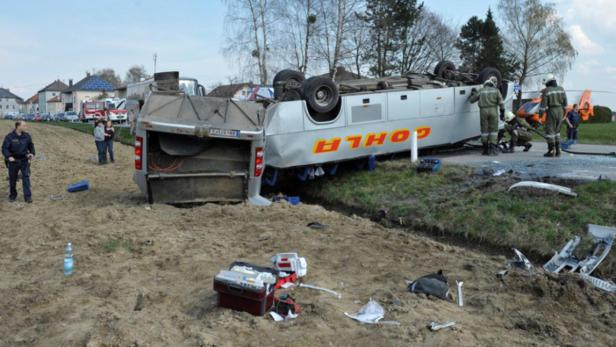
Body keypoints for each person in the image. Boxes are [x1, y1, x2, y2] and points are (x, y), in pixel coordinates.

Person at [468, 76, 505, 156]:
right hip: (493, 110)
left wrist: (473, 94)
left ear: (485, 84)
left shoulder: (481, 90)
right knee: (493, 130)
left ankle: (485, 150)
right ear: (492, 84)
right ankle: (493, 150)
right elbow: (501, 102)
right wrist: (502, 112)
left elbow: (471, 100)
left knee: (484, 130)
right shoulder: (496, 90)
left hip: (483, 111)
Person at [2, 121, 35, 203]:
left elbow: (31, 145)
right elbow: (4, 148)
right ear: (18, 126)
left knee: (26, 178)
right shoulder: (10, 137)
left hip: (24, 160)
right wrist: (9, 156)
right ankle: (13, 195)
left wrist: (31, 153)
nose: (26, 127)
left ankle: (27, 197)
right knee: (12, 179)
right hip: (13, 161)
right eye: (24, 125)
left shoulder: (27, 136)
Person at [538, 74, 568, 157]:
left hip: (552, 111)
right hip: (561, 111)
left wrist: (540, 116)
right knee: (557, 131)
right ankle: (558, 151)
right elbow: (565, 104)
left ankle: (551, 151)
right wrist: (565, 114)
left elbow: (543, 106)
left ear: (547, 82)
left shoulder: (546, 91)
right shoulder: (561, 89)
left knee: (550, 131)